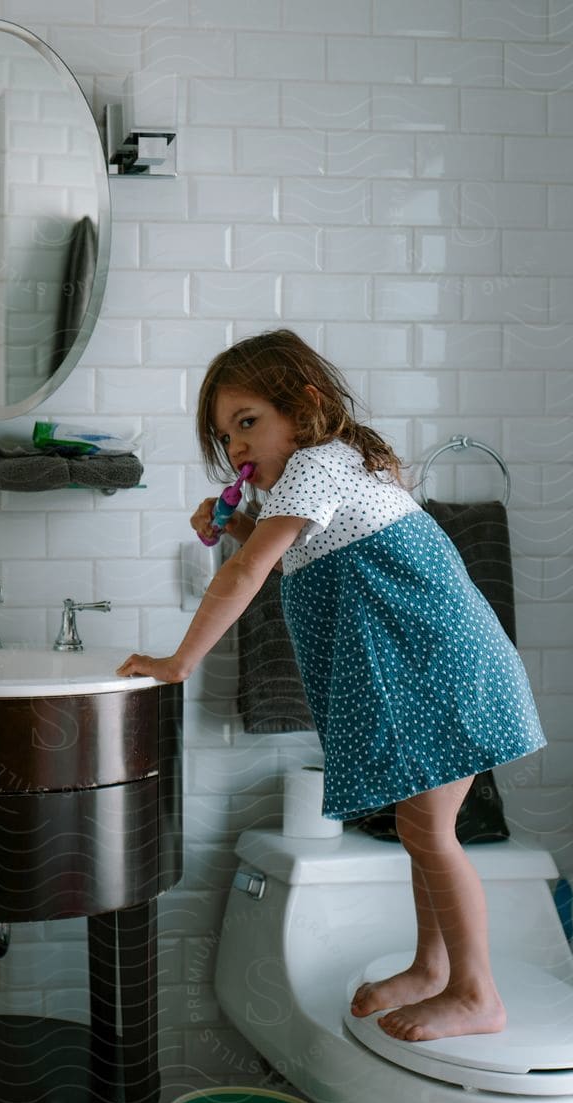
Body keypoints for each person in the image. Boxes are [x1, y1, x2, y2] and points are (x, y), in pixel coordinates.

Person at [117, 329, 546, 1042]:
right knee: (420, 829)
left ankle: (478, 992)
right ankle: (431, 969)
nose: (238, 448)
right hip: (440, 669)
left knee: (434, 833)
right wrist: (238, 520)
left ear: (306, 405)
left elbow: (248, 571)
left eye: (248, 421)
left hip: (444, 673)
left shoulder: (319, 465)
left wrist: (178, 661)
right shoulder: (329, 472)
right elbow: (307, 543)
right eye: (227, 437)